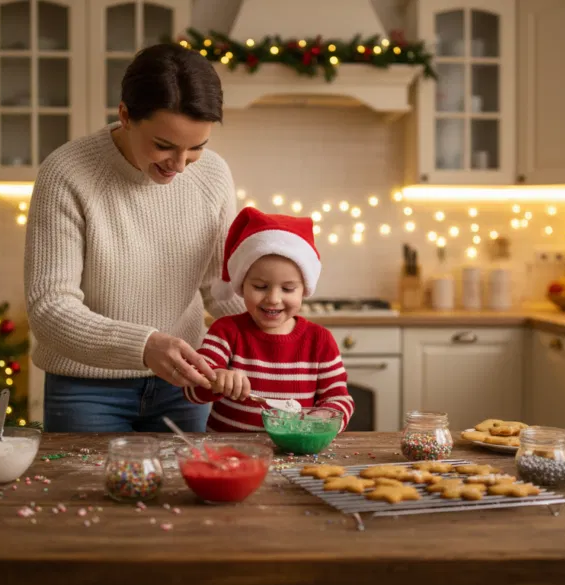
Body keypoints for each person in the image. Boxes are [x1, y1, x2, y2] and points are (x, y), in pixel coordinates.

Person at [24, 43, 245, 433]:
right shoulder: (66, 174)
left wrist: (285, 334)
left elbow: (220, 288)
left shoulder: (213, 175)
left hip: (187, 385)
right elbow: (49, 308)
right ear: (125, 115)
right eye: (164, 146)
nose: (179, 165)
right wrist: (144, 346)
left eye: (196, 147)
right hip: (86, 391)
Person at [183, 207, 355, 431]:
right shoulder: (225, 331)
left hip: (294, 454)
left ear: (304, 290)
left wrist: (325, 417)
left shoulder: (320, 340)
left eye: (288, 288)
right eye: (260, 286)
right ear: (242, 285)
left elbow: (339, 398)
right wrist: (216, 378)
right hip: (229, 455)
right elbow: (192, 390)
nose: (273, 299)